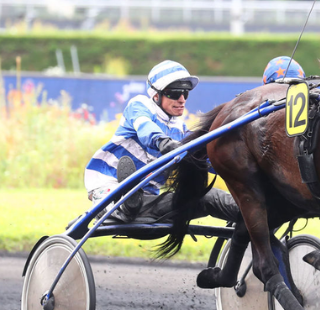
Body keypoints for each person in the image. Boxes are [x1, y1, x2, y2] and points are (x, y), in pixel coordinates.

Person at [84, 60, 239, 223]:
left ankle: (254, 214)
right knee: (122, 199)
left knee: (209, 197)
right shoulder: (140, 105)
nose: (181, 99)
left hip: (148, 201)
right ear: (155, 95)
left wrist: (234, 167)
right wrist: (164, 142)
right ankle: (120, 205)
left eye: (185, 93)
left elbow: (206, 161)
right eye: (175, 93)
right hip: (107, 186)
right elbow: (146, 129)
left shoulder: (179, 129)